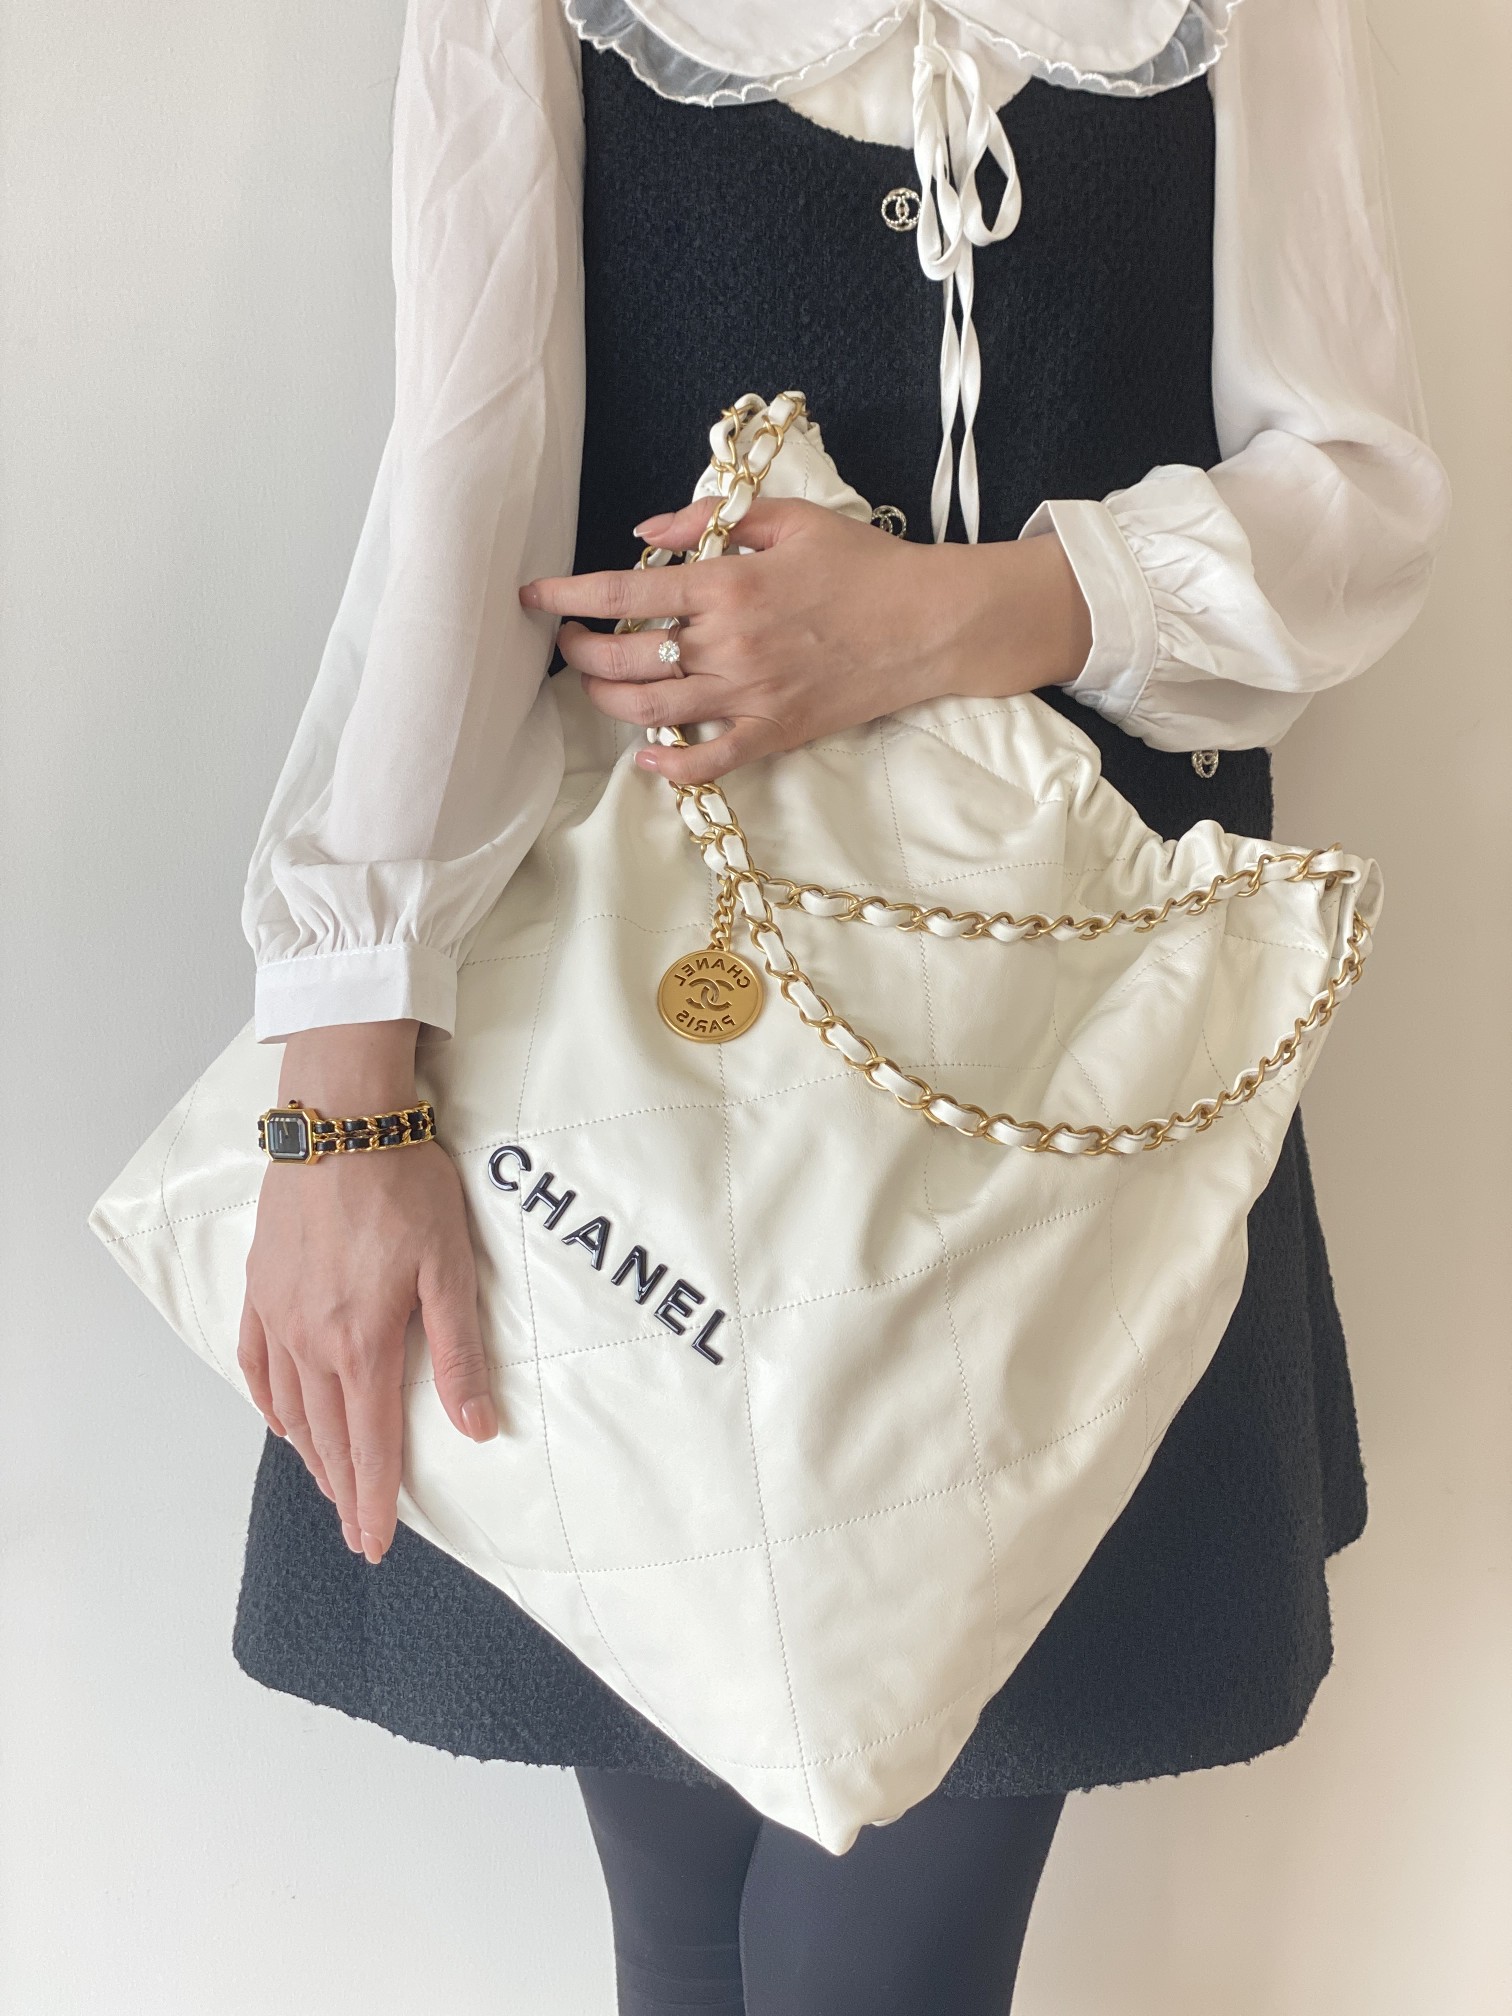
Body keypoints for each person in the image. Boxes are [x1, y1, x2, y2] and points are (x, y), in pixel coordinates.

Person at [231, 2, 1448, 2008]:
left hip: (1075, 1054)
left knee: (880, 1965)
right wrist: (344, 1087)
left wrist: (938, 615)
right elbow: (467, 469)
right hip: (648, 1038)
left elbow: (1358, 492)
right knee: (686, 1939)